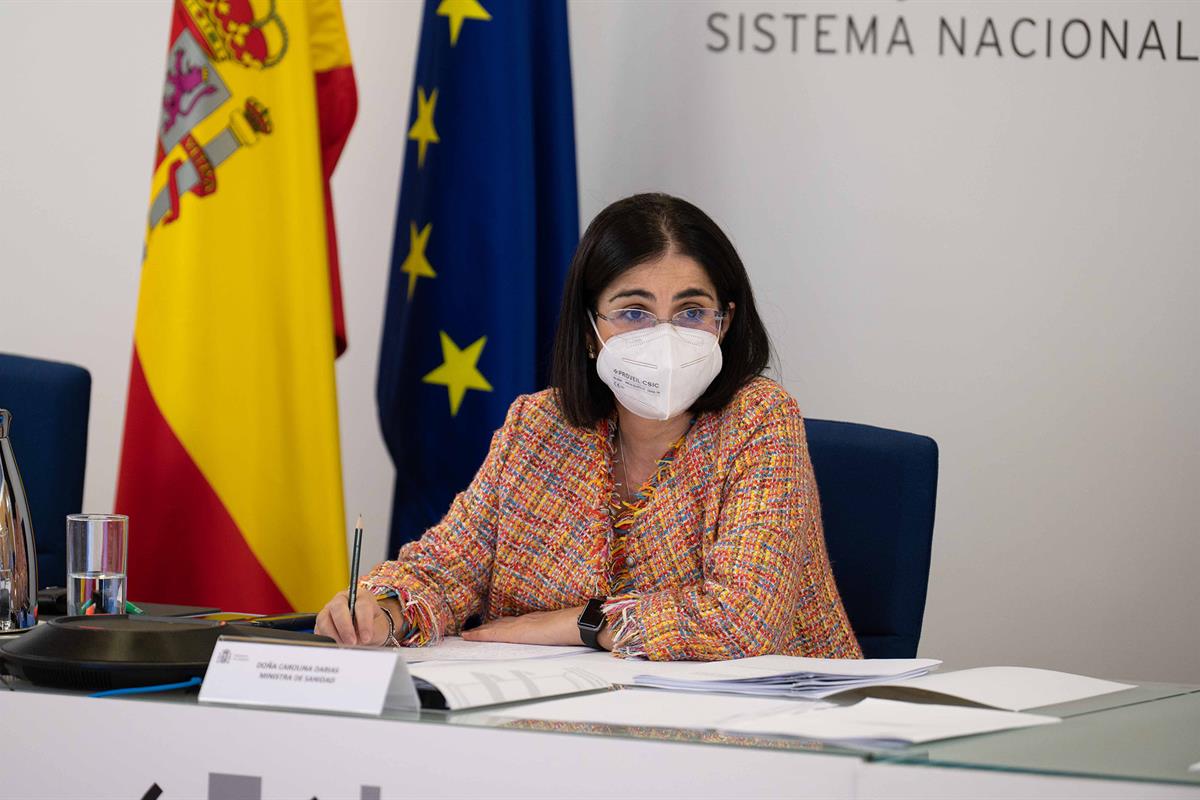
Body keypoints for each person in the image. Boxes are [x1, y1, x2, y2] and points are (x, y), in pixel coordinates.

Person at [316, 193, 861, 660]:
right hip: (566, 726)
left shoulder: (759, 419)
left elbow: (744, 621)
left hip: (765, 736)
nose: (665, 335)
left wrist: (581, 623)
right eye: (633, 311)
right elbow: (442, 570)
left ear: (726, 321)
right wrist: (382, 609)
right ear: (588, 329)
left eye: (692, 311)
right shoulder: (540, 428)